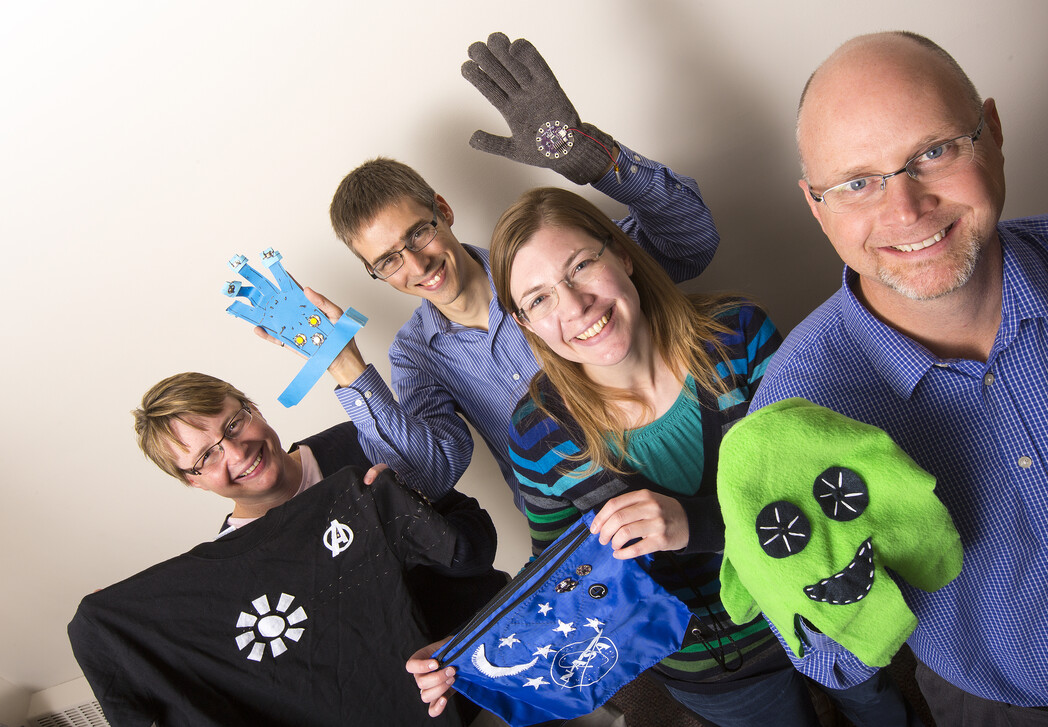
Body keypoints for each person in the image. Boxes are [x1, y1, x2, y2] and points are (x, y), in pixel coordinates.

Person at [751, 31, 1048, 726]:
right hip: (1005, 710)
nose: (905, 211)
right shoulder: (794, 411)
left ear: (990, 134)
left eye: (932, 153)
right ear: (816, 205)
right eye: (857, 182)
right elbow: (831, 659)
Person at [409, 186, 813, 727]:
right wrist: (474, 649)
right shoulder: (537, 436)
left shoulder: (738, 336)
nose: (574, 307)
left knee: (882, 706)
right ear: (527, 324)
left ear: (621, 253)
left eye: (580, 267)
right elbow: (562, 574)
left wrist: (693, 523)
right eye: (539, 299)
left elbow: (824, 482)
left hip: (825, 590)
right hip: (721, 668)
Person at [287, 32, 719, 510]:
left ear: (444, 210)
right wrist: (345, 366)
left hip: (695, 463)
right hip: (588, 529)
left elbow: (691, 244)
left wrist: (599, 162)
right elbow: (429, 477)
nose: (417, 264)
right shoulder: (416, 355)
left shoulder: (543, 255)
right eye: (388, 260)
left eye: (418, 234)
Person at [68, 372, 507, 726]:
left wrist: (411, 508)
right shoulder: (231, 577)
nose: (237, 453)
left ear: (252, 407)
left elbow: (476, 548)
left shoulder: (356, 442)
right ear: (192, 480)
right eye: (206, 457)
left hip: (506, 655)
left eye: (234, 425)